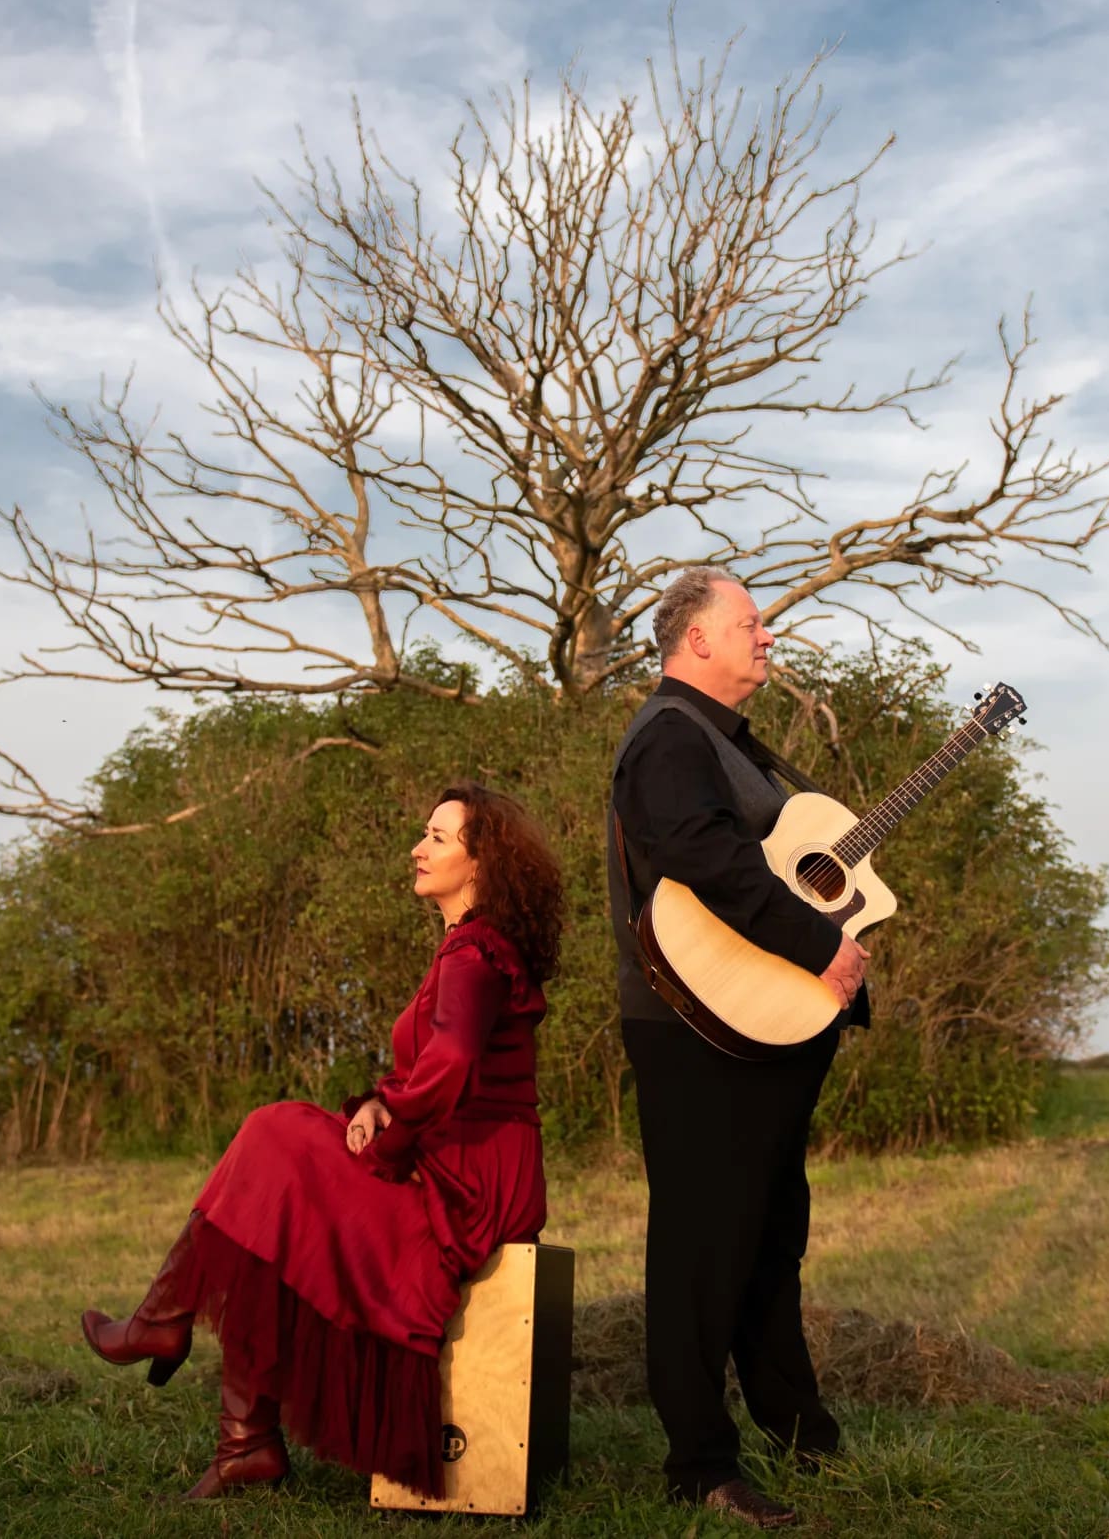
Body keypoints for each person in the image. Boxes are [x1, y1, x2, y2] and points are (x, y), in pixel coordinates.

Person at [79, 781, 565, 1501]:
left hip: (468, 1183)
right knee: (275, 1194)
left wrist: (388, 1131)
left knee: (273, 1134)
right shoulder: (473, 949)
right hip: (467, 1163)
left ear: (482, 861)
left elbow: (453, 1064)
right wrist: (378, 1100)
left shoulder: (472, 952)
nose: (418, 846)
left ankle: (167, 1327)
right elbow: (437, 1063)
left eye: (438, 836)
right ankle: (242, 1439)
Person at [605, 565, 870, 1531]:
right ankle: (699, 1464)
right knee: (702, 1242)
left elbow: (756, 857)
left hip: (754, 1024)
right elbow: (703, 859)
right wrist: (822, 950)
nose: (767, 637)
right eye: (751, 622)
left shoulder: (726, 741)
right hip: (690, 1027)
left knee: (767, 1232)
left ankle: (799, 1430)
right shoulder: (669, 735)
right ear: (696, 639)